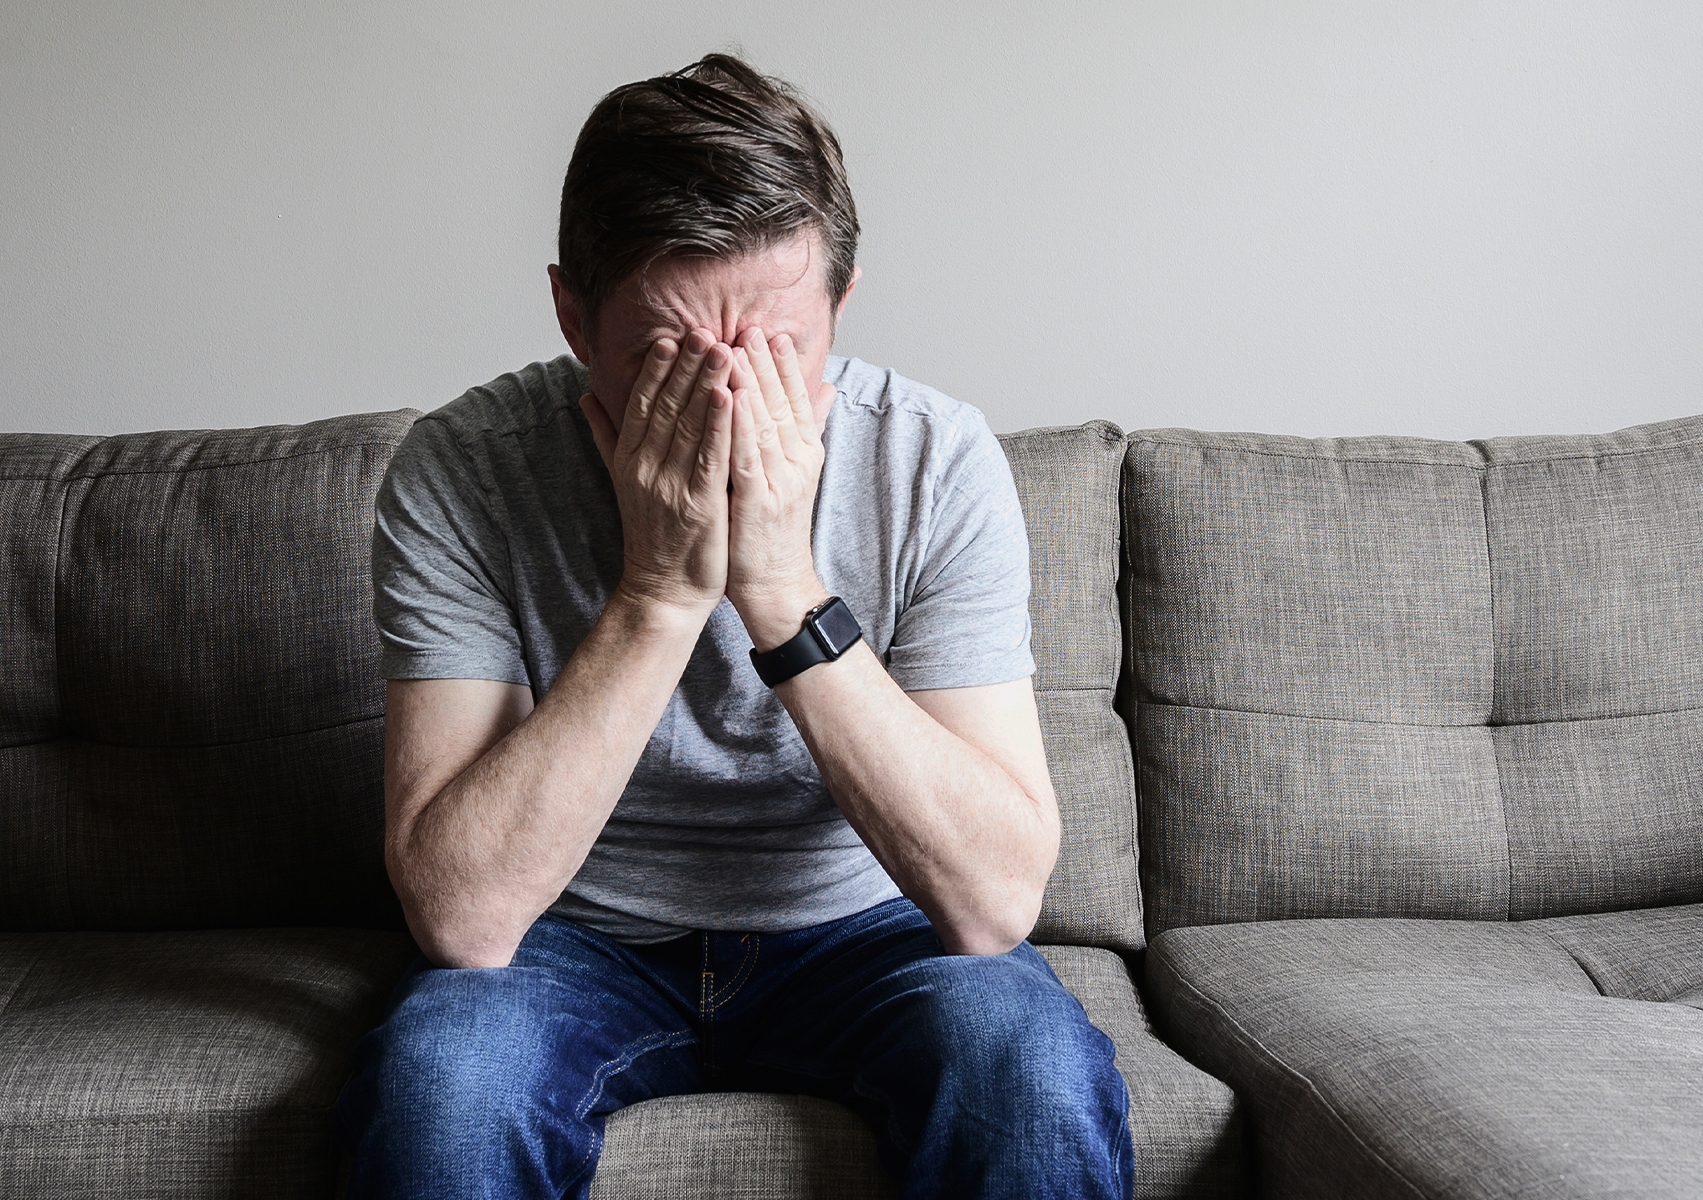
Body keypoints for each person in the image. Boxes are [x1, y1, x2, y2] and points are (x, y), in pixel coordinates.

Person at [332, 53, 1133, 1200]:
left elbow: (994, 900)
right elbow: (463, 916)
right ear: (572, 313)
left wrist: (784, 591)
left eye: (777, 353)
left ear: (842, 305)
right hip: (575, 936)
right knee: (443, 1089)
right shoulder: (463, 471)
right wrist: (658, 595)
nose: (723, 402)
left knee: (1032, 1074)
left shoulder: (934, 459)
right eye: (665, 357)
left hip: (868, 931)